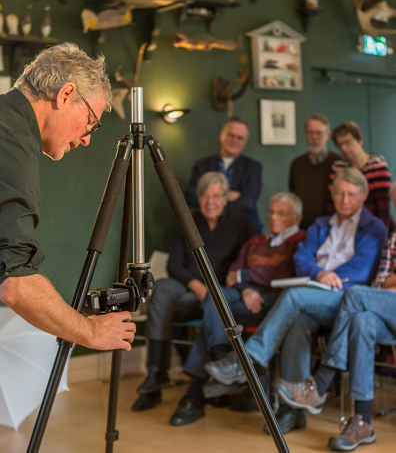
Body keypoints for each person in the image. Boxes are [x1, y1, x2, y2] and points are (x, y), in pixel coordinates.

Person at [205, 168, 387, 434]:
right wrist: (319, 273)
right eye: (339, 193)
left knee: (294, 296)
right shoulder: (320, 224)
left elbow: (362, 269)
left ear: (363, 195)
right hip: (315, 294)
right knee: (297, 322)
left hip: (347, 298)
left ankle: (248, 360)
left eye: (351, 194)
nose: (344, 199)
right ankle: (293, 411)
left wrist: (329, 277)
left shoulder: (374, 228)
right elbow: (301, 261)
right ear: (332, 194)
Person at [0, 44, 136, 351]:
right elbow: (15, 284)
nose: (87, 139)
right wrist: (91, 331)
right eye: (91, 122)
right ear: (65, 95)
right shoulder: (11, 141)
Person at [274, 182, 396, 451]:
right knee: (361, 320)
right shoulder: (394, 236)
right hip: (389, 309)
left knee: (355, 295)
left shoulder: (374, 229)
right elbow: (382, 280)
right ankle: (363, 421)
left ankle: (320, 383)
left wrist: (391, 283)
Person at [168, 192, 306, 427]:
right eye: (271, 211)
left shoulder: (301, 240)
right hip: (246, 295)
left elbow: (284, 274)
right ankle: (223, 360)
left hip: (276, 301)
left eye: (281, 213)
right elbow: (232, 274)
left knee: (220, 319)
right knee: (216, 295)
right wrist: (246, 288)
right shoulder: (255, 242)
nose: (273, 217)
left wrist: (248, 277)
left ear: (296, 217)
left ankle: (197, 391)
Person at [132, 172, 253, 412]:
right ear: (198, 198)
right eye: (205, 196)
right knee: (163, 288)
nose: (211, 202)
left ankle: (174, 379)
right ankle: (156, 374)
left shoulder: (241, 223)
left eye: (216, 196)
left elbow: (247, 262)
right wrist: (196, 285)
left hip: (219, 295)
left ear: (226, 198)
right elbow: (173, 265)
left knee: (167, 301)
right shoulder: (186, 221)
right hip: (188, 290)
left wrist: (215, 288)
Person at [185, 116, 263, 235]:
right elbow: (190, 197)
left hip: (242, 230)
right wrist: (227, 196)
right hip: (205, 229)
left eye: (240, 138)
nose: (234, 141)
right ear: (222, 134)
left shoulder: (253, 167)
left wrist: (211, 203)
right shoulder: (202, 165)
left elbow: (248, 203)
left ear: (245, 141)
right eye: (231, 135)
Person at [326, 121, 395, 233]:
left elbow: (384, 206)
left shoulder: (377, 164)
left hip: (373, 226)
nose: (343, 148)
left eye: (348, 142)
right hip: (344, 227)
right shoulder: (338, 166)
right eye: (339, 145)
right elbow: (331, 201)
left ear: (359, 141)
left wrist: (381, 233)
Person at [289, 114, 340, 229]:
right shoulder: (296, 164)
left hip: (331, 228)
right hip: (302, 228)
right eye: (310, 132)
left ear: (328, 134)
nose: (314, 137)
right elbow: (293, 197)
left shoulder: (338, 163)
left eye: (318, 133)